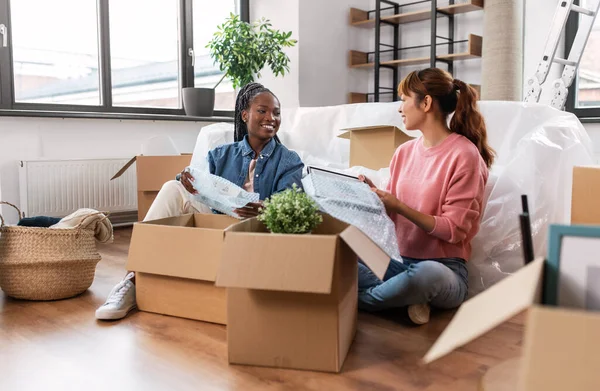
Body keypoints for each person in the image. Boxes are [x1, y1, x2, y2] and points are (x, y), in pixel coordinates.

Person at [96, 82, 304, 321]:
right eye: (263, 110)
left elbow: (290, 205)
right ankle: (132, 280)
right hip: (215, 222)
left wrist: (265, 209)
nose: (271, 117)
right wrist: (185, 179)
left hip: (254, 231)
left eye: (276, 113)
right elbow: (195, 183)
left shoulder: (289, 160)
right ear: (245, 115)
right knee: (172, 187)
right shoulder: (221, 154)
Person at [358, 68, 494, 325]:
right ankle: (405, 300)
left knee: (426, 275)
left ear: (427, 102)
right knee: (341, 251)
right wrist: (375, 198)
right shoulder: (404, 152)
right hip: (396, 262)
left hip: (443, 269)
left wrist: (399, 205)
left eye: (404, 98)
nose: (400, 108)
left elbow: (453, 230)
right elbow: (391, 216)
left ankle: (363, 300)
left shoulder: (465, 155)